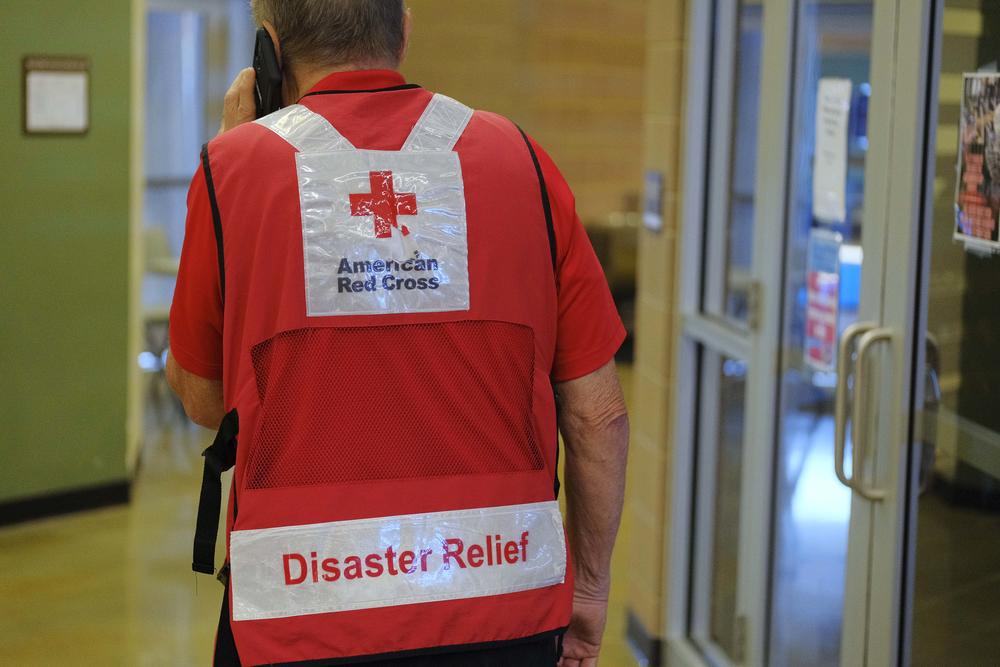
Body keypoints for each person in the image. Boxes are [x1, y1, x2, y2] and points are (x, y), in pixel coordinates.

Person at [166, 2, 628, 665]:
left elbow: (205, 400)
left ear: (268, 51)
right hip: (503, 607)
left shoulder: (231, 170)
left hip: (299, 617)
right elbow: (598, 415)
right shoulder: (523, 160)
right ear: (404, 30)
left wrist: (230, 147)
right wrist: (588, 589)